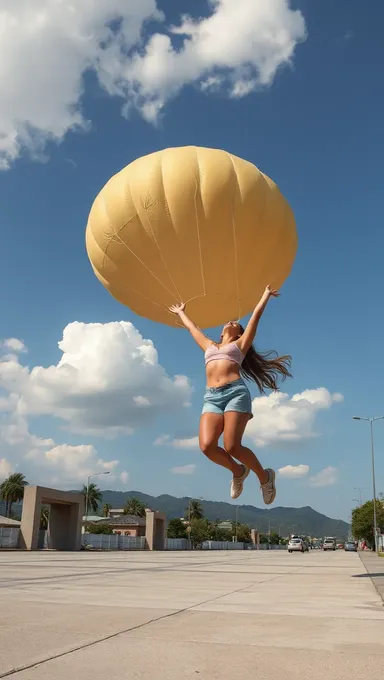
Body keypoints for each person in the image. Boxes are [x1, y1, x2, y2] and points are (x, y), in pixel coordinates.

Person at [169, 285, 292, 504]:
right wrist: (181, 312)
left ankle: (265, 478)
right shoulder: (209, 345)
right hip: (212, 398)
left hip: (235, 394)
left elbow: (256, 316)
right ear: (221, 332)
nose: (232, 322)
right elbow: (193, 329)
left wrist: (265, 295)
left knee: (232, 446)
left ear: (240, 334)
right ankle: (238, 471)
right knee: (207, 446)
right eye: (230, 322)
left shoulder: (240, 345)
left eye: (237, 324)